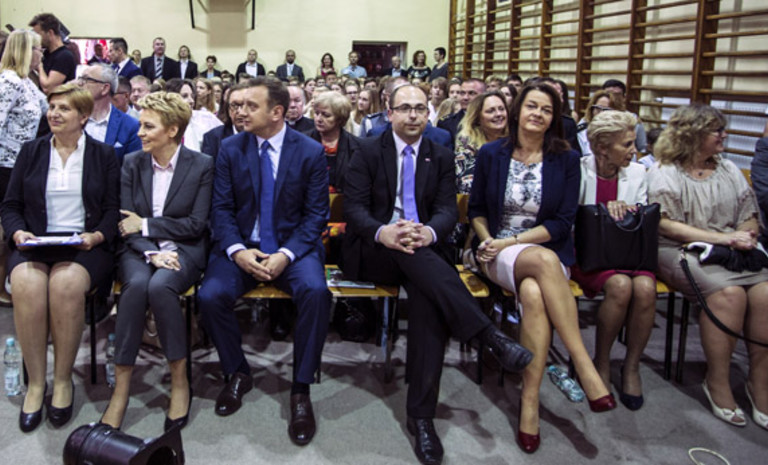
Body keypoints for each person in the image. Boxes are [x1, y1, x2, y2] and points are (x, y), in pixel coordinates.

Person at [342, 83, 533, 465]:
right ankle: (487, 335)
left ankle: (422, 418)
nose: (413, 115)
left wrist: (427, 232)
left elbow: (447, 210)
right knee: (420, 262)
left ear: (428, 113)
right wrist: (385, 232)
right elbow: (354, 209)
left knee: (428, 302)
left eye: (419, 108)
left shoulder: (440, 154)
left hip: (423, 251)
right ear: (390, 112)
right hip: (375, 251)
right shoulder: (366, 150)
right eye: (404, 108)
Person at [467, 83, 615, 454]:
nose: (538, 114)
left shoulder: (566, 158)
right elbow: (477, 211)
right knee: (541, 264)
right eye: (532, 106)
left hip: (546, 250)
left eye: (547, 110)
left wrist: (514, 242)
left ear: (553, 119)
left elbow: (563, 223)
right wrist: (491, 241)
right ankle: (583, 363)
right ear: (518, 111)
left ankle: (529, 401)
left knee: (534, 292)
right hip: (496, 252)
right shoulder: (491, 153)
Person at [198, 77, 331, 446]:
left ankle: (300, 387)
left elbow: (315, 215)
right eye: (237, 105)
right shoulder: (230, 148)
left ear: (277, 112)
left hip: (292, 248)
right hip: (242, 246)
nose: (239, 111)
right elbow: (221, 209)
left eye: (249, 106)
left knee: (316, 292)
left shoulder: (309, 151)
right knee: (210, 296)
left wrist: (285, 255)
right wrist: (237, 250)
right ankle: (237, 372)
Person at [2, 83, 119, 432]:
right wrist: (17, 233)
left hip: (85, 244)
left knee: (65, 285)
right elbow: (10, 206)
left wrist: (96, 236)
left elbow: (112, 210)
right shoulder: (31, 151)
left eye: (64, 108)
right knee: (26, 283)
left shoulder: (103, 155)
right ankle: (37, 384)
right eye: (52, 107)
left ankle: (64, 380)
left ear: (83, 116)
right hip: (35, 241)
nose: (54, 113)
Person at [648, 104, 768, 430]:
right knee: (729, 295)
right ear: (694, 134)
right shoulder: (666, 171)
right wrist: (723, 239)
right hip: (678, 248)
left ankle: (759, 382)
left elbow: (749, 213)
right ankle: (717, 381)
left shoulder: (728, 169)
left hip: (729, 248)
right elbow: (666, 224)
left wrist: (745, 234)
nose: (724, 135)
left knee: (764, 294)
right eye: (717, 130)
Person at [98, 91, 212, 432]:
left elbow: (196, 224)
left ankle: (179, 381)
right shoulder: (132, 163)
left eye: (149, 126)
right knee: (136, 286)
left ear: (173, 130)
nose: (140, 132)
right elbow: (126, 224)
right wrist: (151, 251)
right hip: (138, 250)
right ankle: (121, 390)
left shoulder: (201, 165)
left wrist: (147, 224)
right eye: (141, 125)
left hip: (184, 249)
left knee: (161, 287)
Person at [571, 110, 656, 411]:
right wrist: (603, 210)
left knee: (645, 288)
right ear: (602, 147)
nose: (635, 150)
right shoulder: (578, 170)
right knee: (620, 286)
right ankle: (602, 361)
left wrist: (630, 209)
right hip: (588, 254)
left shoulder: (638, 173)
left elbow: (643, 216)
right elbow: (569, 220)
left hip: (627, 250)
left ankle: (631, 366)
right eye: (627, 144)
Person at [0, 29, 48, 306]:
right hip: (5, 165)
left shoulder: (27, 81)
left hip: (21, 164)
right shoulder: (8, 81)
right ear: (26, 50)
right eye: (39, 49)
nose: (42, 54)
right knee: (5, 227)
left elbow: (46, 109)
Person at [77, 64, 141, 165]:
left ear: (105, 88)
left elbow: (132, 168)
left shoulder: (130, 126)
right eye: (80, 79)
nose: (80, 84)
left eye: (87, 79)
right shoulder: (71, 119)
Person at [455, 91, 508, 195]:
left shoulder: (514, 140)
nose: (498, 114)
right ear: (478, 118)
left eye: (501, 109)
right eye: (490, 111)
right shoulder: (467, 144)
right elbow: (466, 186)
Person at [307, 91, 360, 192]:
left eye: (326, 115)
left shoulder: (355, 145)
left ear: (340, 119)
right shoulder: (303, 141)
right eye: (317, 113)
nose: (318, 119)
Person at [165, 78, 222, 152]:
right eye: (184, 96)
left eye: (192, 96)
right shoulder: (162, 124)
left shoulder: (206, 118)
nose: (191, 101)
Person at [28, 13, 76, 94]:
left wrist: (39, 67)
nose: (36, 39)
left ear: (50, 33)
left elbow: (48, 88)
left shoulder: (64, 56)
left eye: (38, 35)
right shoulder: (46, 54)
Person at [201, 82, 246, 159]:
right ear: (228, 110)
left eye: (243, 105)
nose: (240, 111)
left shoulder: (260, 135)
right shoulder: (213, 138)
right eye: (234, 106)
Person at [601, 79, 647, 153]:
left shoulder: (633, 119)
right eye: (609, 94)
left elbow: (642, 147)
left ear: (624, 97)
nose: (613, 98)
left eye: (617, 95)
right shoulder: (594, 116)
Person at [576, 90, 624, 157]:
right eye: (598, 109)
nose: (601, 113)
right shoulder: (582, 130)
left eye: (606, 110)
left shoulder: (623, 133)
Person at [438, 78, 485, 143]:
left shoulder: (491, 121)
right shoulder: (446, 123)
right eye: (462, 93)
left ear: (484, 95)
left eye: (471, 93)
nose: (465, 97)